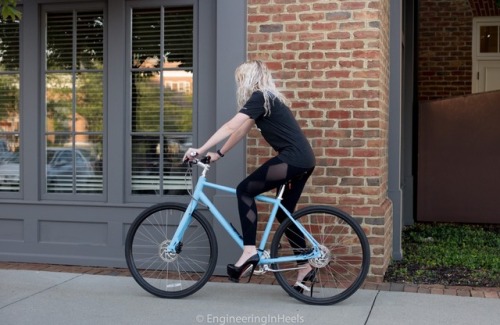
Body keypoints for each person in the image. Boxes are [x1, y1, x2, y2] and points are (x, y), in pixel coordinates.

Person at [183, 60, 316, 289]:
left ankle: (249, 251)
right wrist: (219, 154)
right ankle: (305, 265)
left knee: (245, 190)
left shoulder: (260, 97)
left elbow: (229, 127)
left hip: (292, 159)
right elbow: (241, 131)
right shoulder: (266, 100)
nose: (239, 84)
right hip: (303, 160)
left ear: (249, 79)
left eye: (240, 80)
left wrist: (200, 149)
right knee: (284, 215)